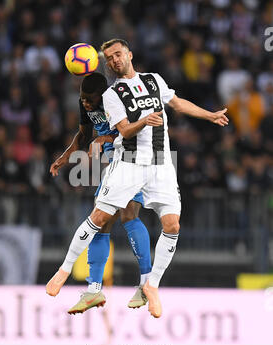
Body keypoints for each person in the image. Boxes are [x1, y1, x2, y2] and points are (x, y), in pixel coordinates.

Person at [47, 39, 228, 318]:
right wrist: (69, 154)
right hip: (126, 163)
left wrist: (210, 115)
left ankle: (140, 284)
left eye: (118, 54)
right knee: (105, 220)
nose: (114, 60)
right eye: (109, 58)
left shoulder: (147, 82)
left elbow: (175, 104)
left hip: (158, 163)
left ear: (129, 54)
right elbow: (105, 132)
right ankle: (85, 279)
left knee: (139, 220)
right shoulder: (104, 96)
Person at [46, 72, 151, 314]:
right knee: (101, 223)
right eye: (83, 98)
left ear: (103, 95)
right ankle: (95, 288)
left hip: (133, 158)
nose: (85, 103)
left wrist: (105, 136)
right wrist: (65, 157)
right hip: (115, 163)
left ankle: (145, 282)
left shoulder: (118, 100)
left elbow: (132, 130)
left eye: (90, 99)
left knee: (127, 215)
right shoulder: (86, 104)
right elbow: (83, 135)